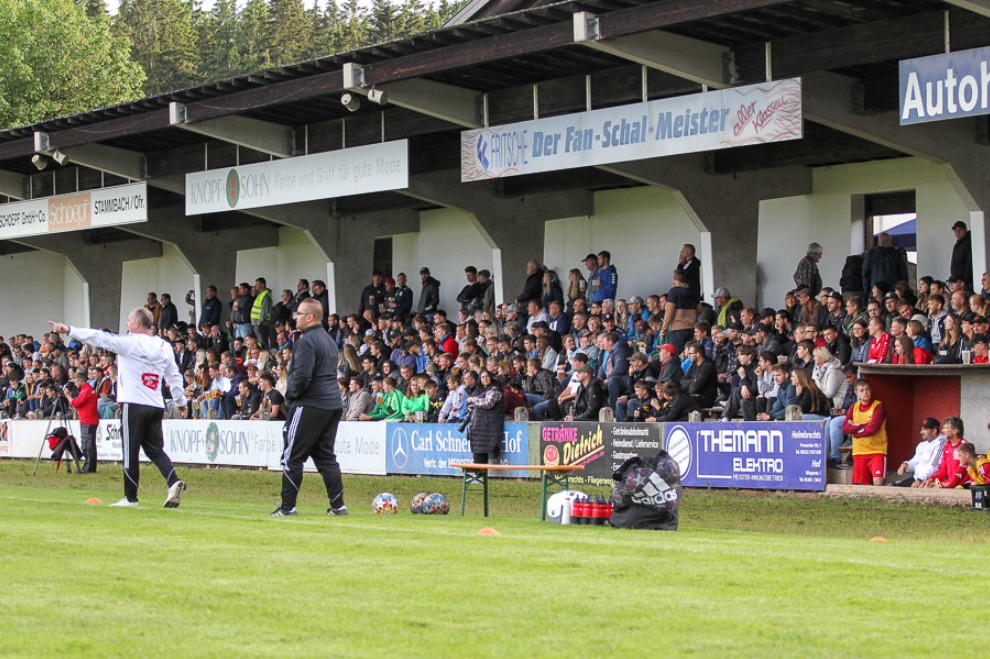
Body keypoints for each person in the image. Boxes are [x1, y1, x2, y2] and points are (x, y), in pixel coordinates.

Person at [49, 309, 188, 508]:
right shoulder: (163, 346)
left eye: (129, 320)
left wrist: (70, 330)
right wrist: (181, 401)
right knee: (155, 450)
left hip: (134, 404)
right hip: (156, 405)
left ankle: (130, 498)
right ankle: (173, 481)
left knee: (130, 451)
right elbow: (173, 375)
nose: (127, 323)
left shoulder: (129, 342)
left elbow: (100, 338)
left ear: (137, 325)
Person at [271, 299, 347, 517]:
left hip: (309, 404)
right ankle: (338, 506)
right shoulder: (329, 341)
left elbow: (302, 376)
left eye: (299, 313)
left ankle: (287, 507)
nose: (295, 317)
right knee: (326, 457)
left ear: (310, 317)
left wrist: (290, 397)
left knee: (292, 456)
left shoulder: (306, 341)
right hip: (332, 404)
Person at [841, 379, 887, 486]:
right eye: (862, 390)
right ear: (856, 393)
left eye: (867, 389)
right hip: (859, 452)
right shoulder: (853, 407)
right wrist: (863, 425)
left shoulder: (878, 406)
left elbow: (873, 428)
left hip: (877, 450)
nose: (865, 392)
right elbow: (845, 427)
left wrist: (855, 429)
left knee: (878, 482)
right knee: (861, 486)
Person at [893, 418, 945, 487]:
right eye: (921, 429)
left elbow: (934, 466)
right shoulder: (922, 444)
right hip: (917, 479)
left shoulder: (941, 443)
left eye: (924, 429)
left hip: (929, 481)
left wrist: (920, 479)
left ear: (934, 431)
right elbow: (915, 461)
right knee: (893, 487)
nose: (921, 432)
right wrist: (906, 465)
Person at [466, 369, 504, 463]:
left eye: (487, 376)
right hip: (480, 426)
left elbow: (488, 403)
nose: (485, 379)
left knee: (480, 455)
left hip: (489, 425)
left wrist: (474, 400)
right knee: (478, 455)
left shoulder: (495, 389)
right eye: (483, 377)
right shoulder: (481, 390)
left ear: (491, 377)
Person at [67, 370, 99, 473]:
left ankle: (89, 467)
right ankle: (89, 466)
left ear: (80, 381)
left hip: (88, 420)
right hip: (88, 419)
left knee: (88, 444)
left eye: (75, 382)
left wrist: (68, 396)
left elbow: (76, 404)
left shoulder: (86, 390)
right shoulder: (87, 389)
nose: (75, 384)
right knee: (87, 443)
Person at [950, 221, 973, 292]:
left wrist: (963, 280)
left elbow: (969, 263)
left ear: (965, 230)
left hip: (966, 282)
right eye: (955, 231)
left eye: (960, 230)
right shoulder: (957, 245)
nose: (958, 233)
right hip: (957, 281)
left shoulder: (969, 243)